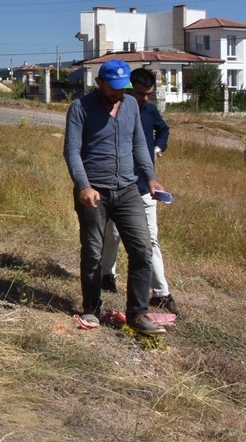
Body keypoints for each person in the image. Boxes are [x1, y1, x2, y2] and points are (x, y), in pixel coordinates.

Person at [63, 59, 168, 336]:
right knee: (94, 251)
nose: (120, 94)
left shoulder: (131, 105)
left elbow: (138, 145)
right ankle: (91, 308)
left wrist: (151, 178)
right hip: (94, 192)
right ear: (99, 82)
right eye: (115, 88)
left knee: (142, 249)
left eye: (124, 88)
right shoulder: (80, 108)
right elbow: (72, 151)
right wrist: (83, 186)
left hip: (128, 190)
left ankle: (137, 314)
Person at [99, 67, 179, 315]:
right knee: (111, 236)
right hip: (116, 186)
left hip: (144, 187)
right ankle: (106, 275)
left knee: (150, 240)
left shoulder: (150, 111)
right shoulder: (114, 110)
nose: (145, 98)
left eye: (149, 94)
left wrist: (158, 148)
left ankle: (161, 293)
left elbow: (163, 130)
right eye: (141, 93)